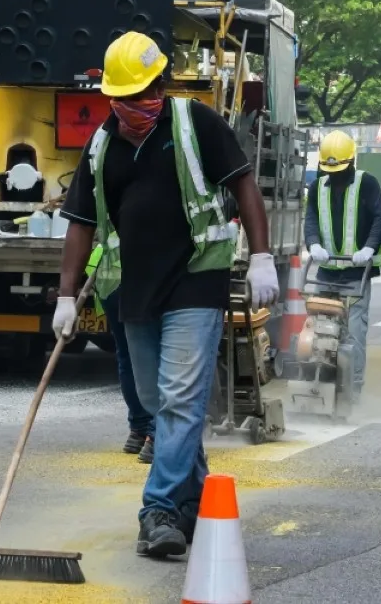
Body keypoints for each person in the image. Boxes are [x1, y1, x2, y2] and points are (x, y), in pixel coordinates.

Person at [57, 31, 277, 559]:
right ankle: (196, 498)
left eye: (147, 91)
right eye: (127, 96)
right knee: (160, 405)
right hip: (132, 285)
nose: (138, 104)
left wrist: (262, 255)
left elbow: (243, 183)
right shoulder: (102, 143)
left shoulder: (195, 122)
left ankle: (156, 510)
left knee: (180, 399)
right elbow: (81, 222)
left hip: (196, 277)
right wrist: (66, 296)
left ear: (162, 83)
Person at [304, 129, 381, 400]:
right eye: (331, 170)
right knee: (318, 330)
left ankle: (353, 390)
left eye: (339, 169)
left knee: (353, 332)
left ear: (351, 162)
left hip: (356, 271)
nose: (335, 175)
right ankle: (319, 383)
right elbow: (311, 220)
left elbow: (379, 219)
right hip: (326, 271)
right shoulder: (317, 187)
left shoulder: (367, 183)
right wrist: (313, 244)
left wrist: (368, 249)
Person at [87, 245, 155, 462]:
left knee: (127, 355)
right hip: (137, 280)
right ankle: (156, 435)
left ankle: (139, 430)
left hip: (109, 280)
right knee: (153, 355)